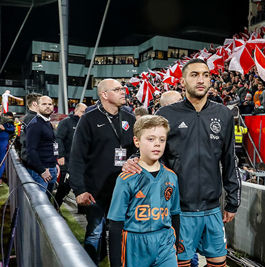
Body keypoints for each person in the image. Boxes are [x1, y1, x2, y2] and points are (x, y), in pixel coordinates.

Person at [123, 59, 241, 267]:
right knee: (180, 263)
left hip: (212, 208)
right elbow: (149, 149)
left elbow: (229, 158)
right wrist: (134, 161)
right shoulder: (166, 114)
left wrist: (233, 200)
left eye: (205, 75)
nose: (201, 80)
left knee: (219, 263)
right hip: (178, 209)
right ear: (183, 81)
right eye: (194, 75)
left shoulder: (223, 114)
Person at [69, 79, 137, 265]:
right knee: (95, 233)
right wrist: (79, 189)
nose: (123, 91)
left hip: (123, 190)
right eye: (117, 89)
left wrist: (134, 159)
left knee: (121, 233)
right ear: (104, 95)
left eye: (123, 88)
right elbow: (77, 157)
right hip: (95, 190)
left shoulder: (130, 118)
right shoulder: (89, 119)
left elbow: (136, 150)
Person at [108, 115, 180, 267]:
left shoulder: (171, 177)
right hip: (135, 243)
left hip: (164, 242)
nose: (157, 144)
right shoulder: (127, 178)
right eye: (151, 139)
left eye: (162, 139)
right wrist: (115, 262)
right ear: (137, 141)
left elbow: (175, 214)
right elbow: (115, 223)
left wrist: (176, 243)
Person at [54, 103, 87, 208]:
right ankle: (56, 207)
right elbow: (58, 139)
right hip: (67, 160)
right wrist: (60, 155)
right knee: (64, 186)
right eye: (82, 112)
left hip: (82, 161)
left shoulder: (86, 123)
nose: (84, 114)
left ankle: (82, 209)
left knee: (82, 186)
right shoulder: (66, 122)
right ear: (76, 110)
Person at [25, 96, 58, 198]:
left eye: (50, 104)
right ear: (37, 106)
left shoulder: (46, 122)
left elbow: (49, 145)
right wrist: (42, 170)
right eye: (44, 104)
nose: (47, 106)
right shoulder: (35, 124)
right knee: (39, 204)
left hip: (51, 168)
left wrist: (54, 163)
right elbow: (31, 150)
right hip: (41, 172)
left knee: (47, 201)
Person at [20, 93, 42, 164]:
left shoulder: (28, 118)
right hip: (35, 161)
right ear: (35, 104)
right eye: (42, 103)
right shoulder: (33, 119)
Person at [0, 112, 15, 186]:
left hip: (2, 143)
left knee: (2, 161)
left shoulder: (6, 121)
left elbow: (12, 129)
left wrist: (4, 128)